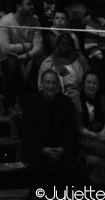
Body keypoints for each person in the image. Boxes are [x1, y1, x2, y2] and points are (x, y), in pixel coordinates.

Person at [21, 69, 82, 199]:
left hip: (61, 148)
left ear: (58, 85)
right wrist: (42, 149)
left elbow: (71, 129)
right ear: (42, 83)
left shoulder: (65, 102)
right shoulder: (30, 102)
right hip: (39, 148)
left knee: (74, 168)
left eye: (54, 83)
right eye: (48, 82)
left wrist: (62, 148)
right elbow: (27, 130)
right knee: (37, 170)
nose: (51, 86)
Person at [0, 0, 43, 118]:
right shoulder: (5, 21)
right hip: (5, 56)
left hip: (25, 56)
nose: (32, 7)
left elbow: (39, 47)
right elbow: (5, 48)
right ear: (18, 6)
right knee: (10, 64)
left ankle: (32, 104)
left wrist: (25, 56)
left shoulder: (34, 21)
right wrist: (28, 46)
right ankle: (9, 105)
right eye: (28, 4)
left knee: (38, 62)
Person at [71, 71, 105, 186]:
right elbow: (77, 127)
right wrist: (95, 135)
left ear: (98, 85)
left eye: (94, 83)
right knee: (96, 161)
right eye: (88, 82)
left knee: (99, 161)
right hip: (84, 140)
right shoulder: (76, 101)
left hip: (101, 138)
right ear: (83, 84)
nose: (91, 86)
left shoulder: (102, 100)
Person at [38, 32, 88, 98]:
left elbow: (88, 82)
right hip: (56, 99)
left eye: (67, 44)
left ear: (72, 47)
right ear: (57, 46)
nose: (65, 46)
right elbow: (41, 87)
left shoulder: (81, 60)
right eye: (62, 44)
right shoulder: (48, 64)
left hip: (79, 96)